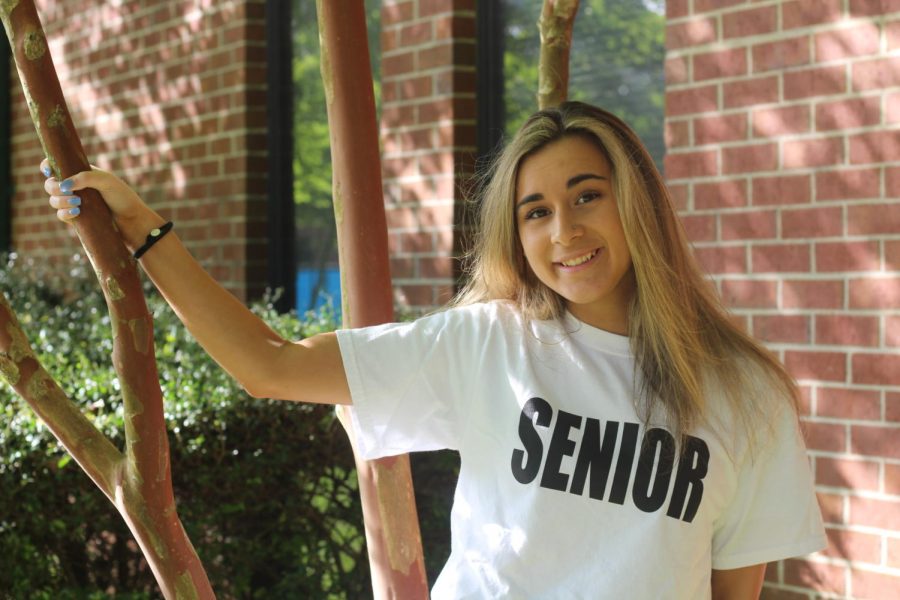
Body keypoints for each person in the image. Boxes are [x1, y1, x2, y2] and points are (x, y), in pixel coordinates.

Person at [45, 101, 826, 599]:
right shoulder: (489, 343)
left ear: (637, 203)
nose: (565, 232)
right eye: (535, 212)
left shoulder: (746, 398)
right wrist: (144, 232)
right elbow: (269, 364)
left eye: (587, 194)